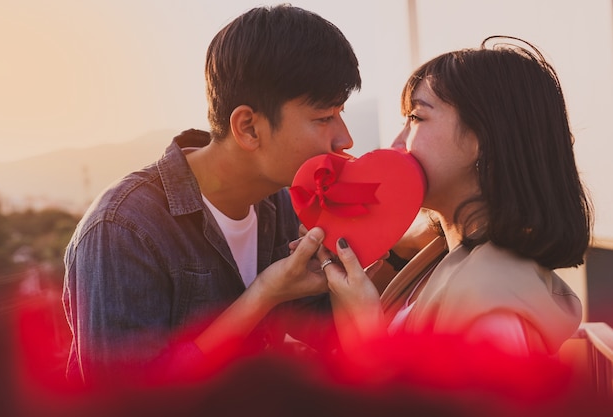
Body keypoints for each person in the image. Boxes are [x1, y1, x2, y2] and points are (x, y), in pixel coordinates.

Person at [62, 4, 361, 384]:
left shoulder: (280, 207)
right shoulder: (124, 228)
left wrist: (365, 255)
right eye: (323, 118)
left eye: (341, 112)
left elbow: (327, 332)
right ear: (249, 127)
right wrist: (262, 296)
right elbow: (122, 399)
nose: (345, 138)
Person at [317, 36, 593, 358]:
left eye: (417, 118)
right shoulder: (441, 254)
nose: (397, 141)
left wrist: (363, 330)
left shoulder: (491, 303)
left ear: (484, 139)